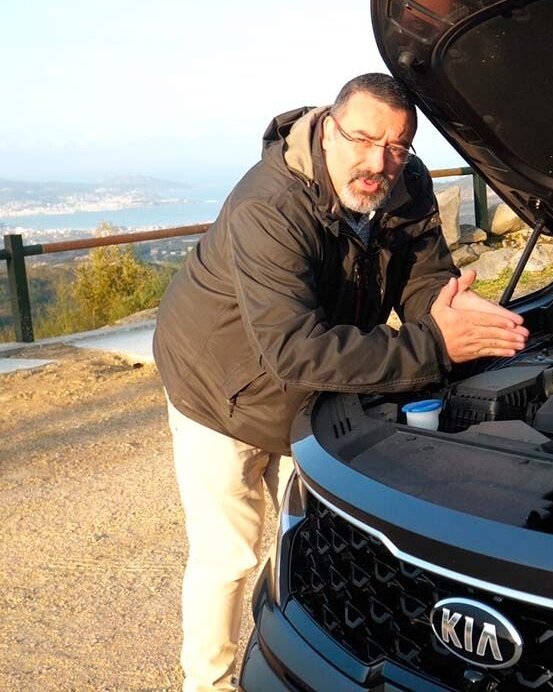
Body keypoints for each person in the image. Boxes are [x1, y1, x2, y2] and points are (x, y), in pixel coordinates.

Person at [152, 73, 528, 692]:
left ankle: (303, 656)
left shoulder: (404, 182)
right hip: (220, 387)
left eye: (396, 147)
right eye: (362, 139)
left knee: (313, 535)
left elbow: (422, 279)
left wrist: (451, 313)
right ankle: (211, 682)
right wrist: (434, 346)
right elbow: (293, 352)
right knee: (232, 551)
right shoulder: (268, 207)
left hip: (320, 380)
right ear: (329, 128)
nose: (377, 162)